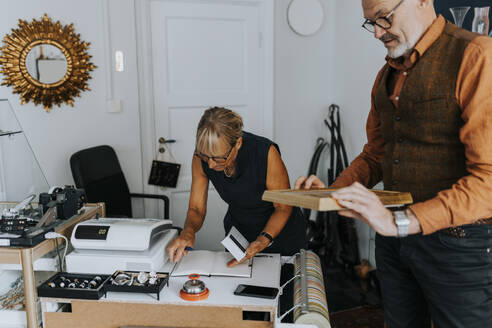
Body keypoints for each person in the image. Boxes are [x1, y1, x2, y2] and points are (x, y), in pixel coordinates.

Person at [295, 0, 492, 327]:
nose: (376, 32)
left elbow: (488, 181)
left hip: (459, 246)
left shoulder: (476, 56)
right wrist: (332, 192)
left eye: (384, 18)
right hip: (395, 241)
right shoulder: (387, 75)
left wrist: (400, 222)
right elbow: (377, 154)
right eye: (370, 23)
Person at [168, 107, 307, 267]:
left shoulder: (264, 153)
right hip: (239, 235)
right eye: (206, 157)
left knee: (282, 287)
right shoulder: (201, 157)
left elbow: (282, 207)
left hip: (280, 234)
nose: (211, 165)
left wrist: (262, 240)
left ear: (238, 144)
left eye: (219, 158)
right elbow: (196, 209)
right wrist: (188, 232)